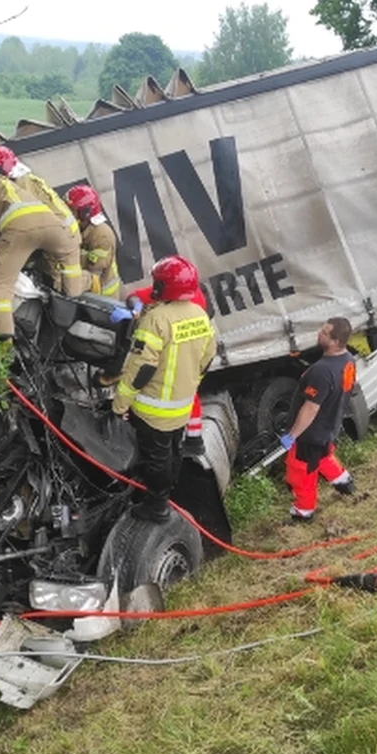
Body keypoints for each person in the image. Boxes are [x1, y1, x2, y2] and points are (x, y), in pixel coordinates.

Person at [112, 256, 216, 522]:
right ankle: (167, 493)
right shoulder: (199, 315)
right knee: (172, 452)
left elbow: (141, 369)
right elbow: (207, 357)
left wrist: (120, 404)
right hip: (181, 405)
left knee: (155, 458)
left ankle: (156, 506)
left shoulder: (157, 319)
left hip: (153, 408)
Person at [0, 151, 84, 341]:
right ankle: (72, 322)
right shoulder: (25, 183)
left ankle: (4, 346)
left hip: (23, 231)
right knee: (69, 279)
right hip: (62, 233)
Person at [115, 275, 210, 457]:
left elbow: (141, 369)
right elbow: (137, 296)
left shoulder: (181, 306)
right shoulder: (185, 294)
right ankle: (194, 440)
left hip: (177, 348)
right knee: (188, 389)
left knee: (178, 388)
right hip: (183, 350)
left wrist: (120, 406)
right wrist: (135, 307)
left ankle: (190, 441)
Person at [278, 317, 358, 522]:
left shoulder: (322, 371)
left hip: (310, 432)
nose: (319, 334)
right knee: (323, 455)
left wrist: (293, 435)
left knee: (301, 472)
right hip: (328, 426)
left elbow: (311, 408)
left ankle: (304, 511)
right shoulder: (348, 359)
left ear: (335, 341)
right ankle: (343, 481)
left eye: (324, 332)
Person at [65, 184, 120, 298]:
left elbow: (94, 277)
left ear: (85, 213)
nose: (68, 214)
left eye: (72, 211)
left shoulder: (102, 236)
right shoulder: (76, 228)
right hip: (83, 291)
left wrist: (67, 281)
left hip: (101, 298)